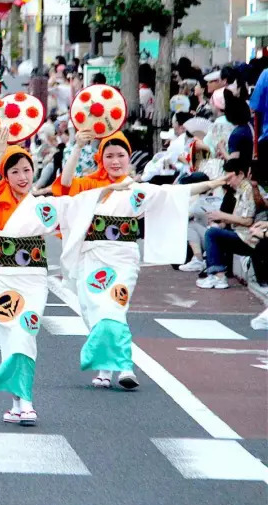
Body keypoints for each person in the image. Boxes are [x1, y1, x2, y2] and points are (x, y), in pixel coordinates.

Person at [0, 128, 109, 426]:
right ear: (5, 175)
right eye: (15, 171)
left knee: (25, 332)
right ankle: (20, 402)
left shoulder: (40, 206)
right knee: (10, 337)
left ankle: (23, 401)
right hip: (1, 278)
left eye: (27, 170)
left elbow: (75, 204)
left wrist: (108, 190)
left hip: (34, 281)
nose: (23, 177)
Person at [55, 129, 224, 389]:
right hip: (92, 258)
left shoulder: (138, 190)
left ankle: (125, 366)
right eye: (109, 156)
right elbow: (65, 185)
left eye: (120, 155)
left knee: (115, 308)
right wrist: (77, 147)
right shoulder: (89, 186)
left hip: (124, 258)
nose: (115, 161)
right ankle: (105, 369)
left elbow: (173, 193)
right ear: (100, 158)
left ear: (129, 157)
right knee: (96, 312)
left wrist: (211, 184)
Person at [195, 159, 257, 290]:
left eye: (230, 177)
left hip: (248, 238)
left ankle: (218, 275)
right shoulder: (240, 190)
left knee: (212, 233)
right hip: (241, 234)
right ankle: (216, 274)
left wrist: (222, 216)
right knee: (214, 231)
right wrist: (220, 220)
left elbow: (247, 221)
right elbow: (238, 219)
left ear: (240, 174)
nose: (228, 182)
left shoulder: (248, 189)